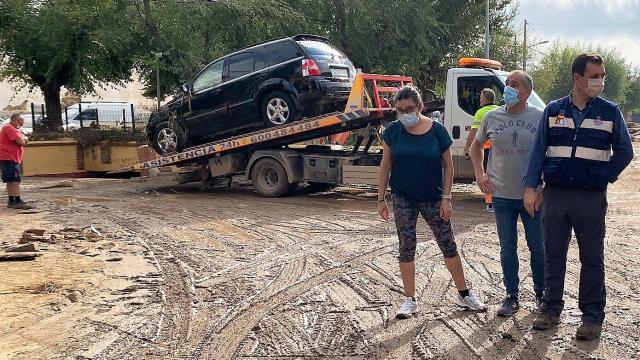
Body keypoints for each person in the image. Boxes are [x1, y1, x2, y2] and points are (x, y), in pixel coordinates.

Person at [524, 54, 634, 340]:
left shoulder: (610, 112)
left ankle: (592, 316)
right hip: (556, 196)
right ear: (577, 78)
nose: (600, 81)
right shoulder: (552, 110)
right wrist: (530, 188)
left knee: (592, 258)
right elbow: (538, 152)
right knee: (554, 255)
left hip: (590, 199)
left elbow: (625, 152)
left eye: (602, 75)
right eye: (595, 75)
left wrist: (603, 176)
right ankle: (550, 309)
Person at [378, 85, 486, 319]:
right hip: (403, 196)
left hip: (434, 197)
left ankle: (465, 294)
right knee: (406, 244)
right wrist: (381, 198)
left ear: (420, 106)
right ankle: (409, 299)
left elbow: (448, 166)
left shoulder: (437, 130)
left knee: (447, 243)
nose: (405, 113)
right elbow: (386, 165)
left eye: (409, 108)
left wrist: (447, 198)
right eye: (400, 110)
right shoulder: (392, 132)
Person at [469, 70, 545, 317]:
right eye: (507, 84)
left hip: (531, 196)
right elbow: (475, 146)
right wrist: (480, 175)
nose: (508, 89)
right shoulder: (492, 116)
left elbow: (551, 153)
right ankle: (511, 296)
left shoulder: (540, 117)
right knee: (507, 248)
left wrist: (545, 188)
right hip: (501, 195)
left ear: (527, 92)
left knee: (539, 248)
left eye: (514, 85)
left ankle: (542, 296)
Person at [465, 88, 499, 212]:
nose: (479, 99)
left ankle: (490, 204)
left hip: (485, 149)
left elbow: (474, 132)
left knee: (487, 176)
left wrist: (467, 148)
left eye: (480, 97)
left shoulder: (481, 112)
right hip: (498, 149)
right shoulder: (499, 109)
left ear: (485, 99)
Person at [0, 113, 32, 209]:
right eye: (21, 121)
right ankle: (17, 200)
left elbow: (22, 139)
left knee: (11, 179)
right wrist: (24, 139)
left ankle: (12, 200)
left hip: (10, 157)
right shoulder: (9, 128)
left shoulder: (14, 129)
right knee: (15, 180)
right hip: (9, 157)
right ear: (16, 120)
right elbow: (20, 142)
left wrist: (24, 138)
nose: (23, 123)